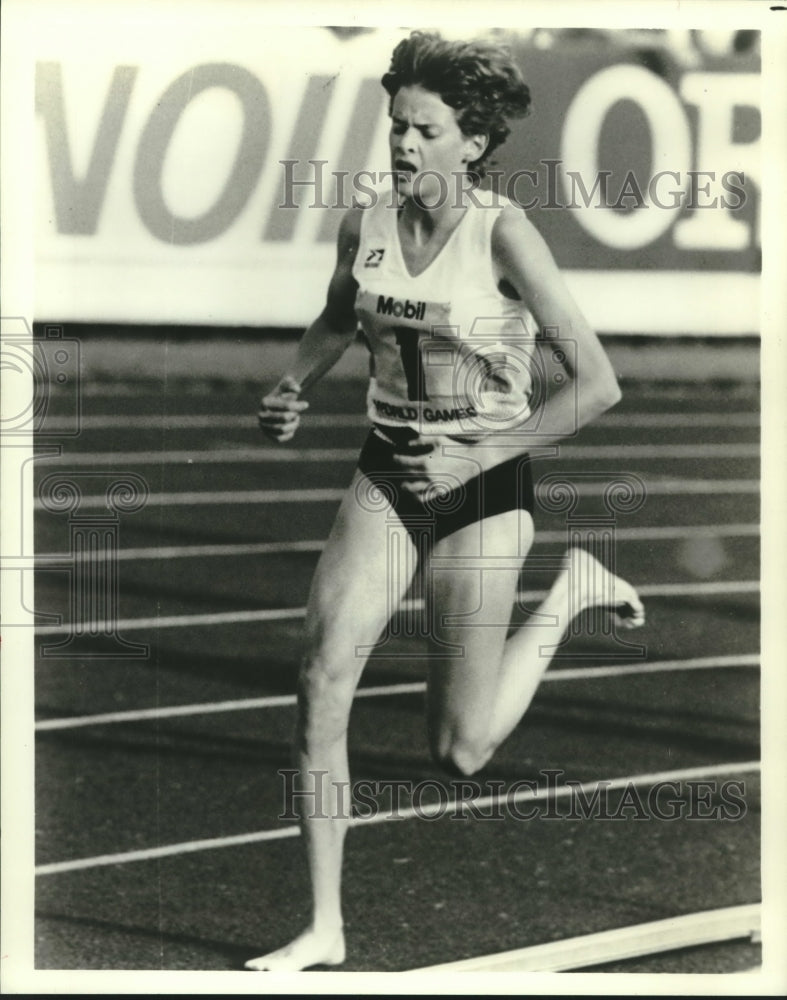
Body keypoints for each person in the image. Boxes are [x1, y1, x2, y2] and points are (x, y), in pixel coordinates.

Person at [247, 30, 644, 972]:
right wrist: (293, 382)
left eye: (424, 129)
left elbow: (596, 383)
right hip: (387, 468)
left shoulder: (504, 234)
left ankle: (569, 593)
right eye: (396, 125)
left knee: (459, 750)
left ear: (471, 143)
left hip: (484, 483)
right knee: (319, 680)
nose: (402, 143)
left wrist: (477, 459)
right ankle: (323, 927)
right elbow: (340, 317)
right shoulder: (367, 222)